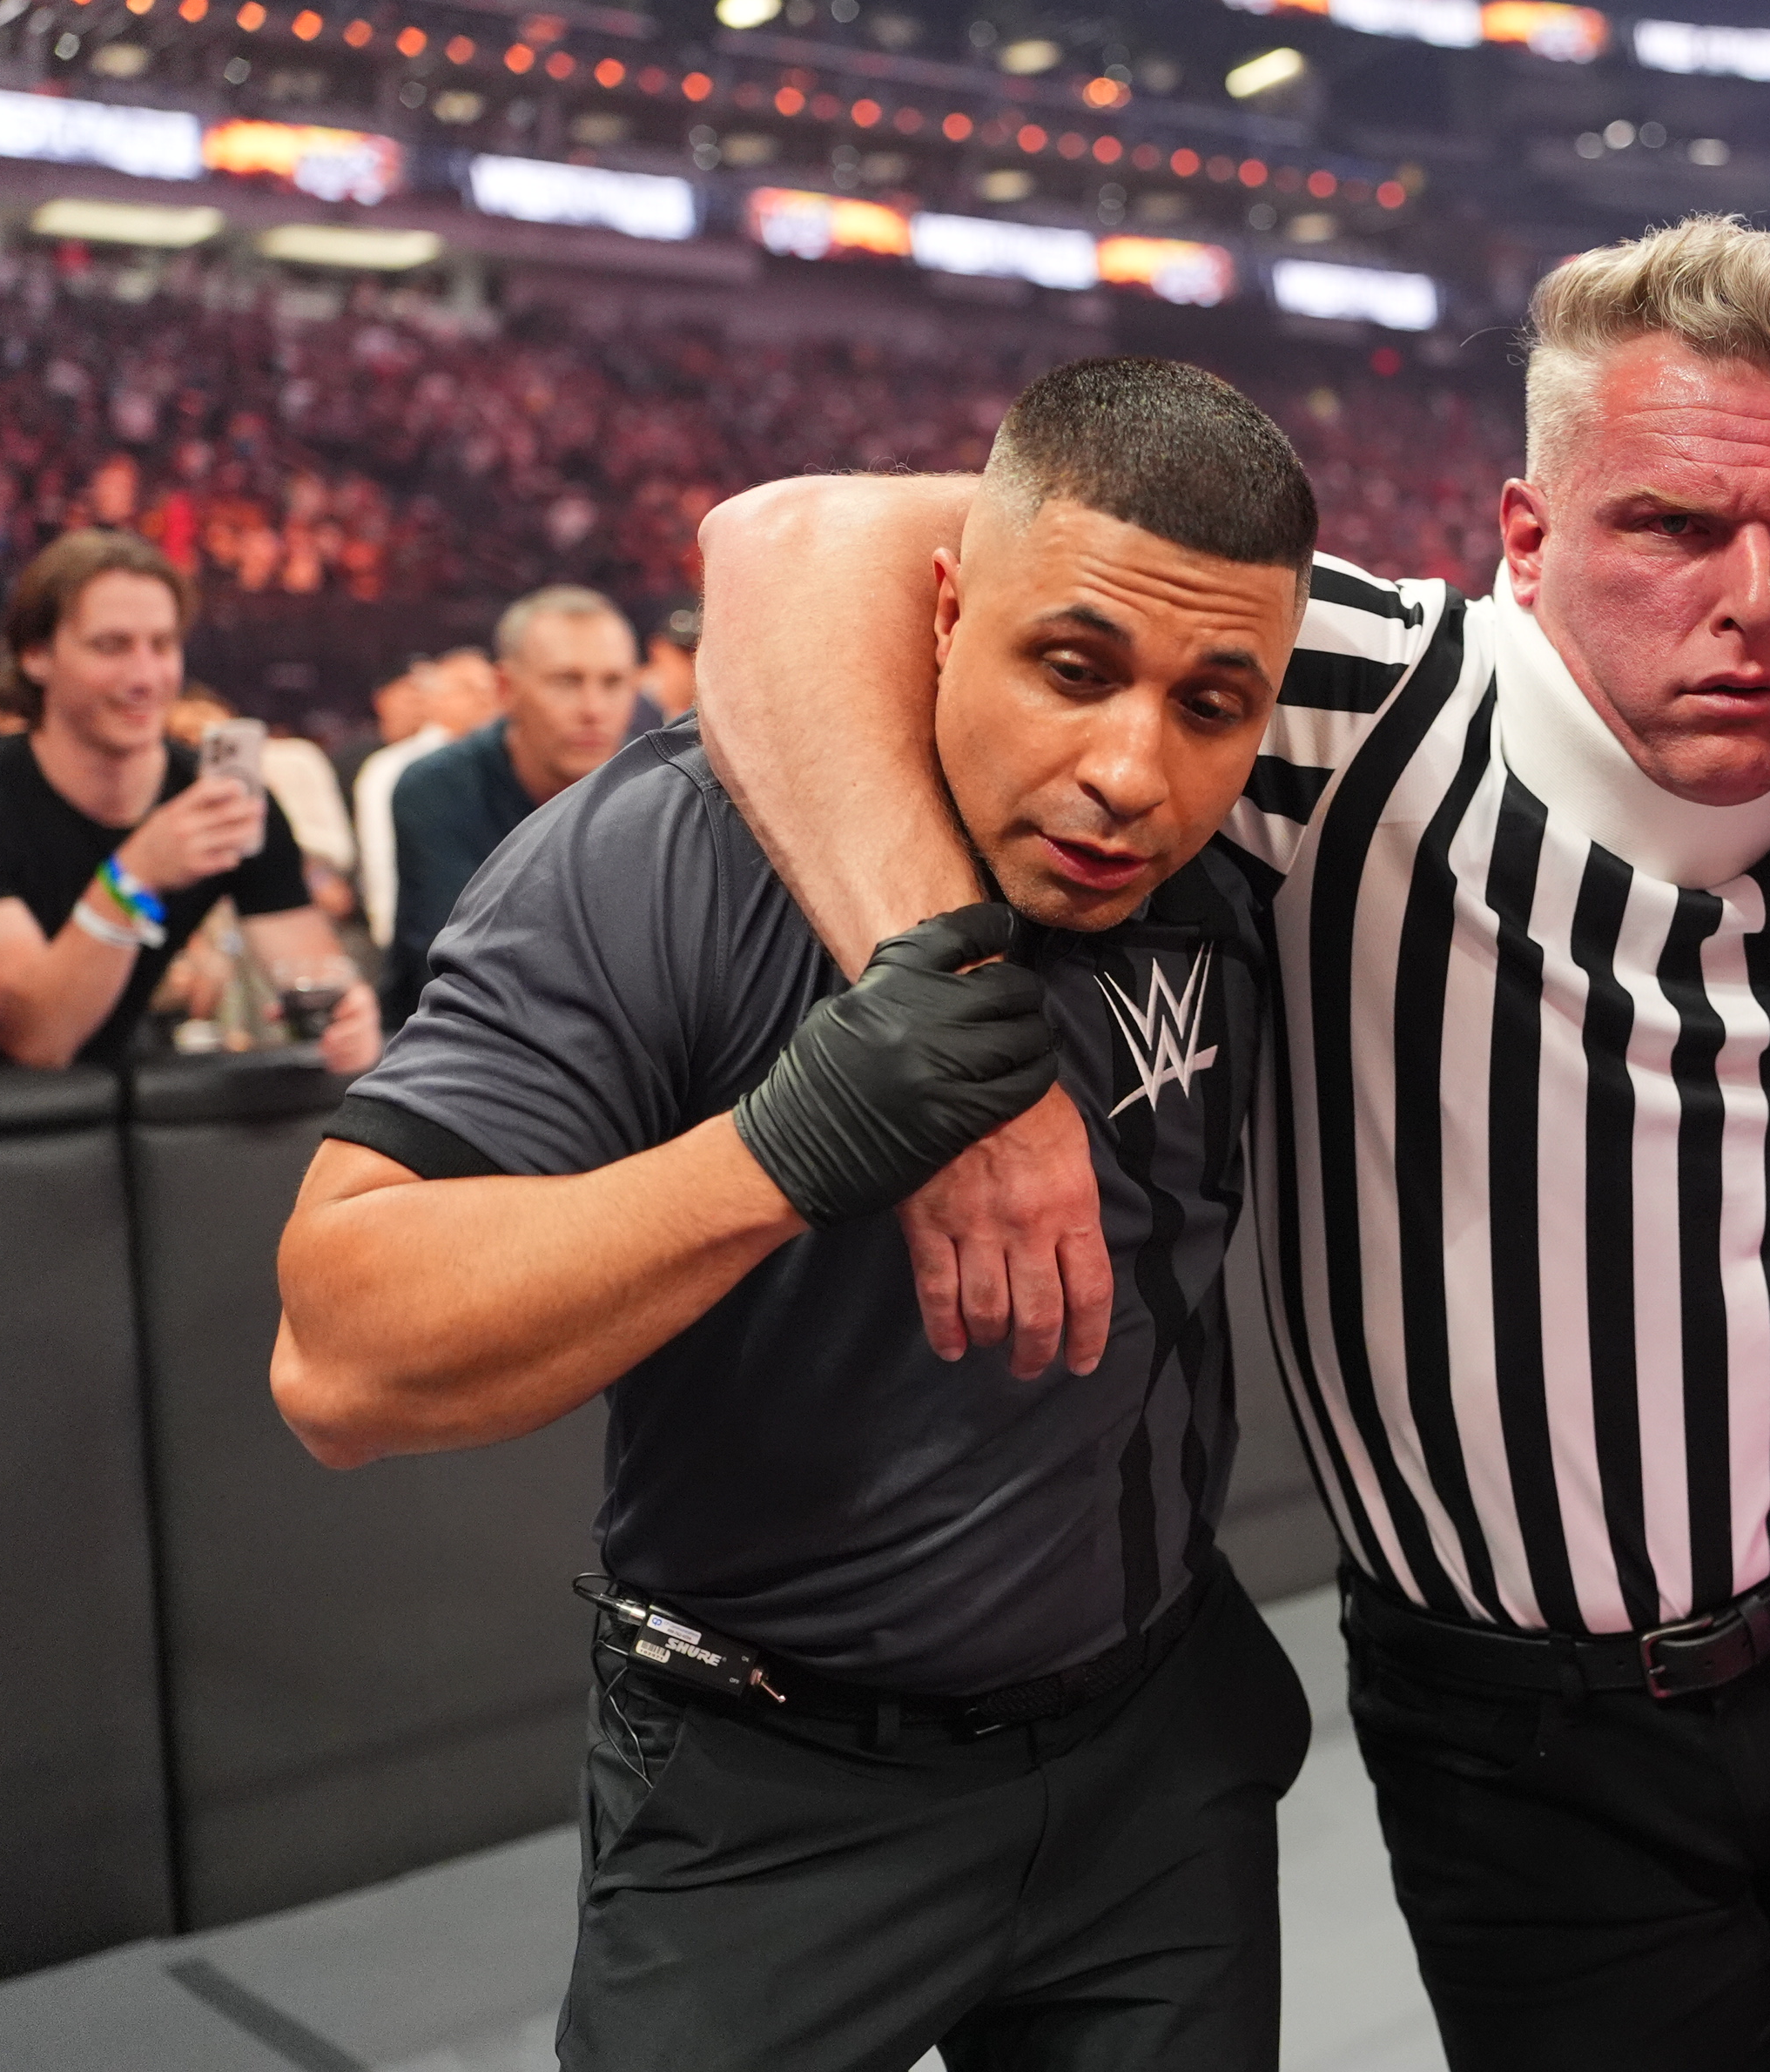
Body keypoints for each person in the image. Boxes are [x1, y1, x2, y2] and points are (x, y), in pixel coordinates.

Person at [693, 217, 1770, 2070]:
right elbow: (786, 548)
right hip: (1511, 1734)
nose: (1755, 598)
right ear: (1528, 536)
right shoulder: (1354, 702)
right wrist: (951, 1038)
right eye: (1669, 525)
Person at [273, 358, 1321, 2070]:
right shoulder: (667, 853)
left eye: (1213, 704)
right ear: (946, 609)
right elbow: (338, 1356)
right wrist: (789, 1143)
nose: (1133, 768)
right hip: (771, 1790)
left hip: (1154, 1755)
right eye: (1071, 668)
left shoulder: (1243, 859)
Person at [0, 532, 380, 1071]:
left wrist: (348, 1017)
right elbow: (39, 1039)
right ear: (36, 655)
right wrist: (134, 876)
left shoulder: (216, 799)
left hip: (114, 1095)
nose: (146, 677)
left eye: (162, 645)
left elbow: (314, 976)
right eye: (111, 646)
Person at [382, 589, 642, 1018]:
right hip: (459, 1041)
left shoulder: (661, 788)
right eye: (566, 682)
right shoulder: (436, 788)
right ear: (506, 688)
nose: (594, 709)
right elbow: (459, 973)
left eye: (613, 683)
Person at [353, 649, 498, 949]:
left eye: (490, 688)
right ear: (436, 699)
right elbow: (382, 859)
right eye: (468, 689)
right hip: (431, 937)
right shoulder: (392, 767)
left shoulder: (514, 765)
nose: (484, 698)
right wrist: (390, 935)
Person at [643, 605, 700, 722]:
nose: (694, 664)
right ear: (658, 650)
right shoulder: (629, 708)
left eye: (698, 653)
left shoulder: (706, 715)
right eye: (685, 654)